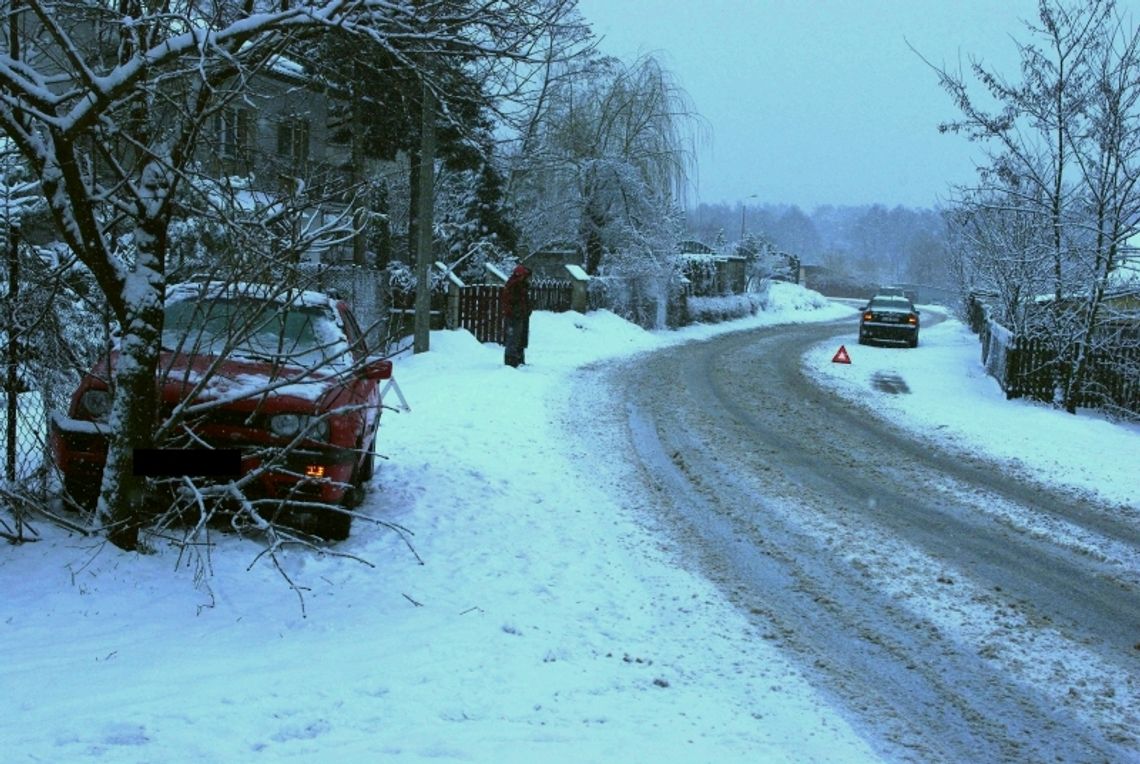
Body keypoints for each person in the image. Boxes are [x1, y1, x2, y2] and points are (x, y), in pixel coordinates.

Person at [501, 264, 532, 367]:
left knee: (520, 338)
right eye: (526, 276)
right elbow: (511, 302)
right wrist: (517, 311)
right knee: (514, 338)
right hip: (515, 316)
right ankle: (511, 361)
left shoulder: (520, 286)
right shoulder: (515, 286)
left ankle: (518, 359)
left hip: (520, 315)